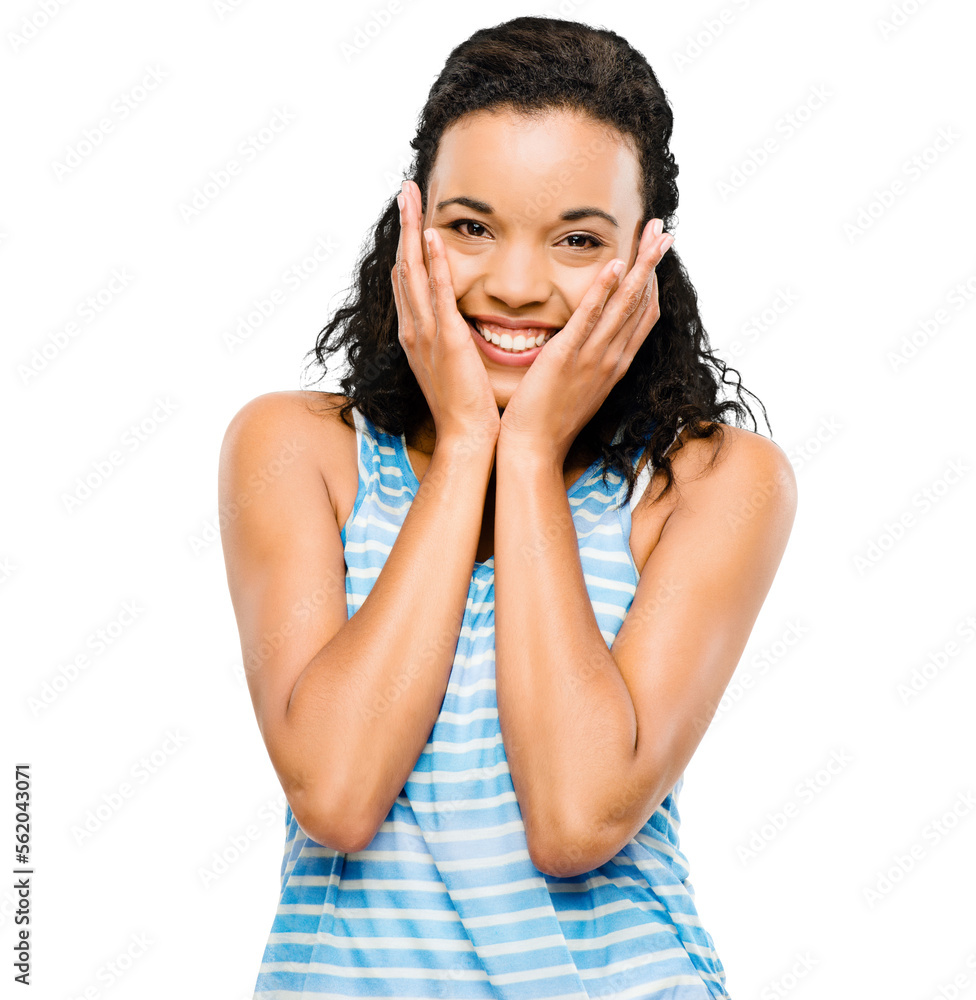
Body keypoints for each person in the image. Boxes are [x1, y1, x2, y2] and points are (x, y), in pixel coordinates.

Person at [219, 16, 796, 999]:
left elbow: (575, 819)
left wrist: (524, 450)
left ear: (646, 257)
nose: (517, 286)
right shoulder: (296, 450)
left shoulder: (711, 483)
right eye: (470, 226)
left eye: (577, 239)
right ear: (410, 227)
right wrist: (467, 448)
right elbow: (338, 791)